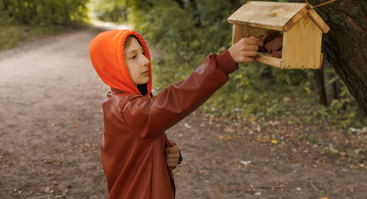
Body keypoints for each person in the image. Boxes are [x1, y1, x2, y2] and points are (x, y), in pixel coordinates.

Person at [89, 29, 261, 198]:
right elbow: (176, 99)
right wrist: (224, 62)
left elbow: (137, 149)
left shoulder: (118, 102)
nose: (145, 61)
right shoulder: (130, 109)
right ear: (113, 67)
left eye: (142, 53)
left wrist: (166, 151)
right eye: (133, 57)